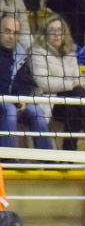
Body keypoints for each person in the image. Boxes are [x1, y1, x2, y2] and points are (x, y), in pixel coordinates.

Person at [30, 15, 85, 150]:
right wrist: (73, 84)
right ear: (44, 34)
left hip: (70, 100)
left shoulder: (69, 53)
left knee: (75, 105)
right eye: (52, 31)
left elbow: (78, 78)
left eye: (60, 30)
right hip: (49, 100)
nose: (56, 34)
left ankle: (68, 156)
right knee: (77, 93)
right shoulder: (37, 52)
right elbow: (43, 82)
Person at [0, 14, 36, 149]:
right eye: (7, 31)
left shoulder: (21, 55)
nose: (11, 37)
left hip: (12, 100)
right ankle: (7, 157)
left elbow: (24, 83)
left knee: (37, 112)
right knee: (9, 109)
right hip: (4, 101)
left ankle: (47, 158)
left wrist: (22, 98)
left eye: (15, 33)